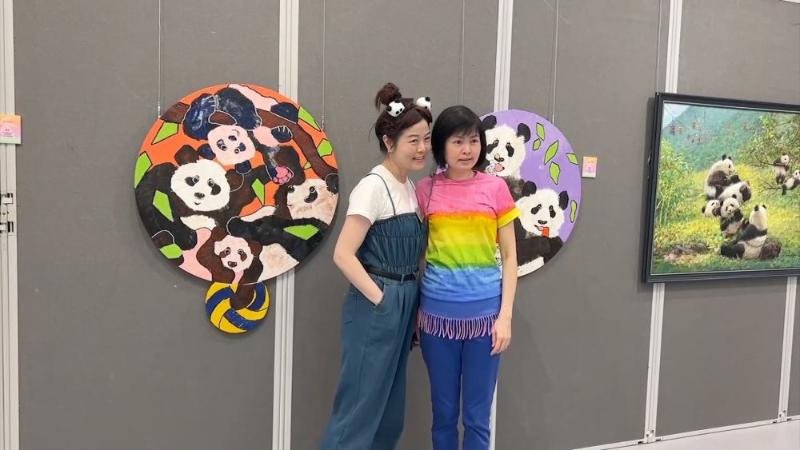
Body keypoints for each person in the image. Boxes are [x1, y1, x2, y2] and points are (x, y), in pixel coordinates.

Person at [320, 82, 432, 450]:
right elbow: (343, 254)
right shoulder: (373, 187)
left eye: (426, 139)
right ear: (389, 141)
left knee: (389, 408)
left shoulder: (409, 187)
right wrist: (382, 299)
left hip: (405, 299)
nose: (422, 148)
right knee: (359, 406)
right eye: (413, 140)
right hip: (377, 302)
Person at [416, 105, 518, 450]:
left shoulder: (496, 189)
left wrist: (505, 317)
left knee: (477, 417)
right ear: (441, 146)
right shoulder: (425, 190)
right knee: (443, 414)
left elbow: (510, 257)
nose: (467, 149)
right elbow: (417, 255)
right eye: (457, 141)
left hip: (485, 321)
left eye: (473, 141)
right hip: (436, 320)